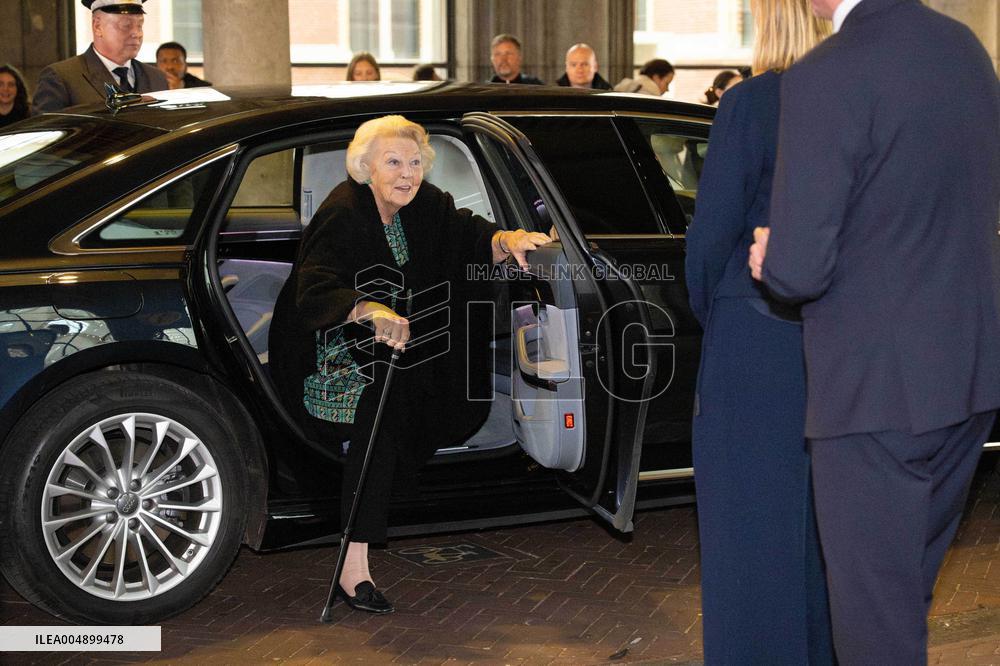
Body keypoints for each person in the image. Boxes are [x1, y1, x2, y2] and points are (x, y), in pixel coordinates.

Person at [748, 0, 1000, 662]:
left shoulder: (827, 73)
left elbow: (798, 271)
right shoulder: (965, 50)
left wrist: (771, 256)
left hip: (875, 390)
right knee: (900, 602)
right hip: (967, 374)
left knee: (873, 627)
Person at [269, 115, 550, 614]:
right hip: (330, 348)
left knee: (425, 385)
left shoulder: (426, 203)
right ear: (366, 167)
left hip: (403, 341)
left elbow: (471, 234)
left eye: (415, 163)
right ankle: (354, 563)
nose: (407, 173)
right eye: (394, 162)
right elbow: (315, 288)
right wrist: (369, 309)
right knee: (385, 401)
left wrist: (508, 240)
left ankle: (395, 484)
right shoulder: (342, 211)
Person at [685, 0, 834, 662]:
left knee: (747, 525)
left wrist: (715, 312)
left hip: (753, 332)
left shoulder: (751, 102)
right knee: (823, 524)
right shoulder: (855, 97)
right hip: (832, 333)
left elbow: (712, 234)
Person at [33, 0, 167, 114]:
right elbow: (45, 133)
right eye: (126, 26)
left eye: (140, 25)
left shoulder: (156, 78)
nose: (137, 34)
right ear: (97, 26)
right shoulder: (61, 78)